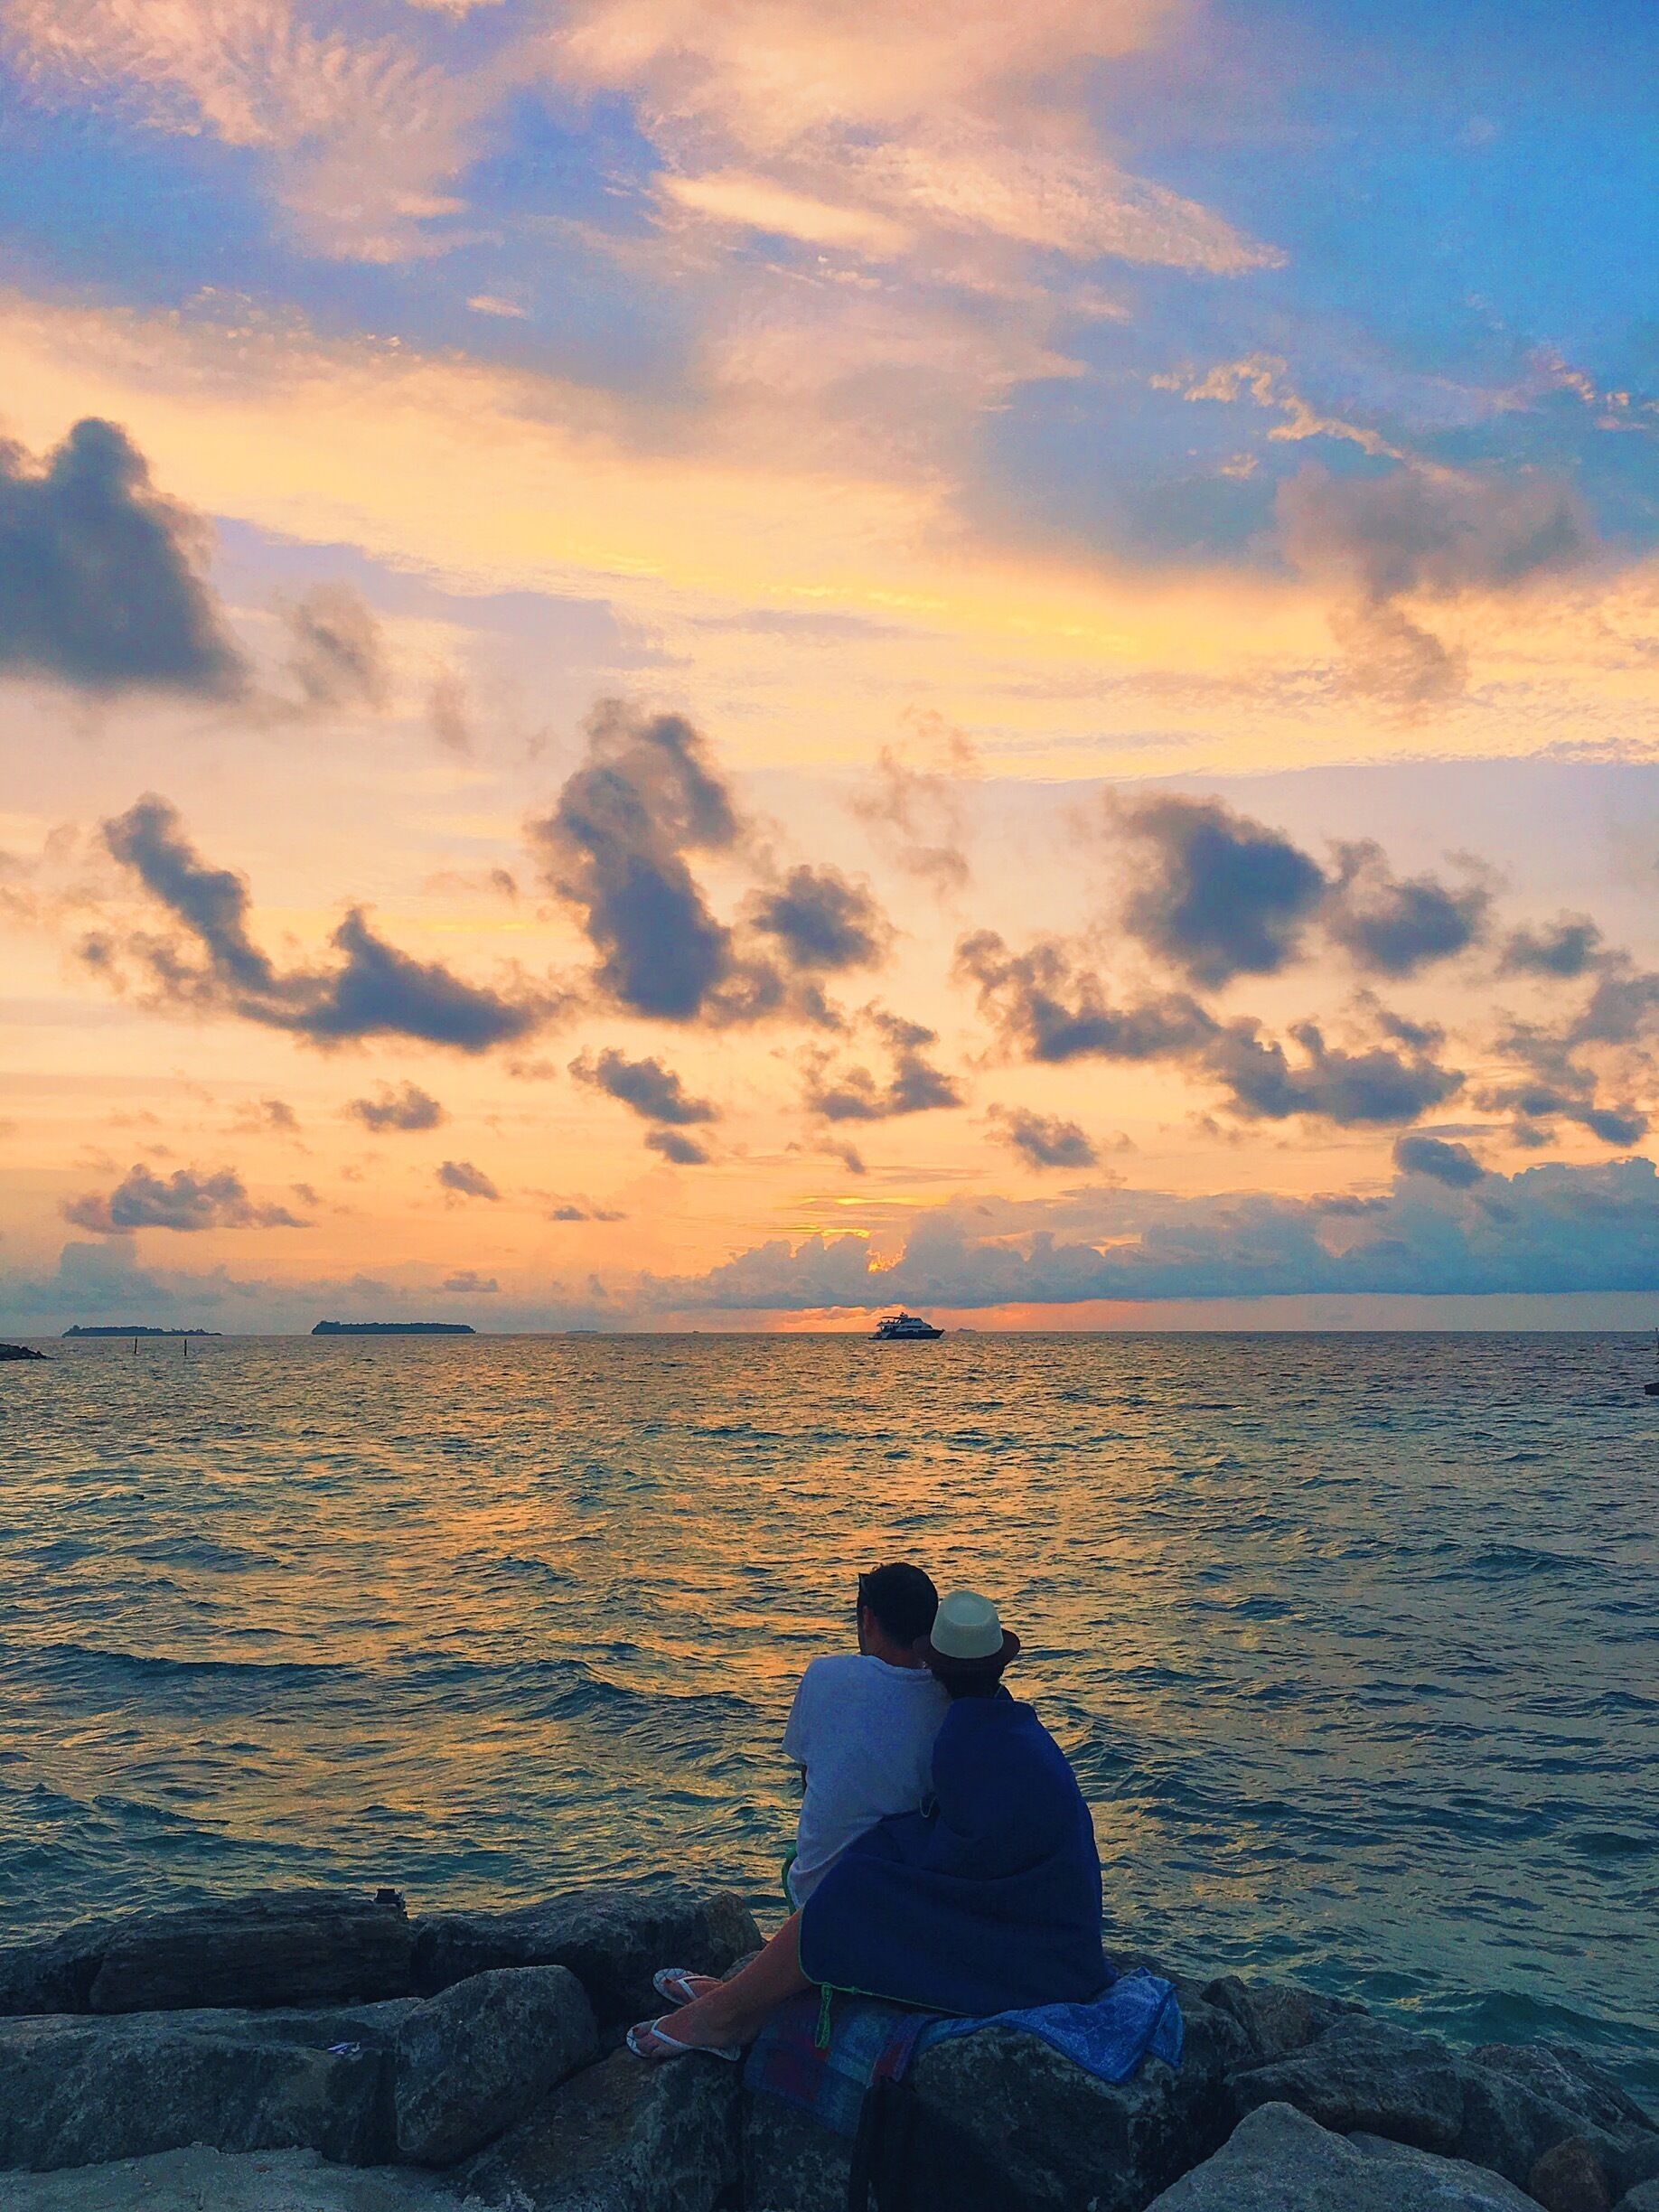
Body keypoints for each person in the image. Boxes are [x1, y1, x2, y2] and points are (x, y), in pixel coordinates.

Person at [628, 1589, 1109, 2060]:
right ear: (999, 1666)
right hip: (1059, 1921)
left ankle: (726, 2014)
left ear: (934, 1666)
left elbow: (965, 1858)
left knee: (852, 1889)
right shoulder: (1006, 1719)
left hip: (1041, 1944)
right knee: (869, 1859)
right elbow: (981, 1838)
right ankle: (741, 1998)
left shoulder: (963, 1737)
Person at [782, 1561, 948, 1907]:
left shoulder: (823, 1676)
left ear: (868, 1619)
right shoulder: (949, 1698)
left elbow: (809, 1780)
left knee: (794, 1859)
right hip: (907, 1897)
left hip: (819, 1897)